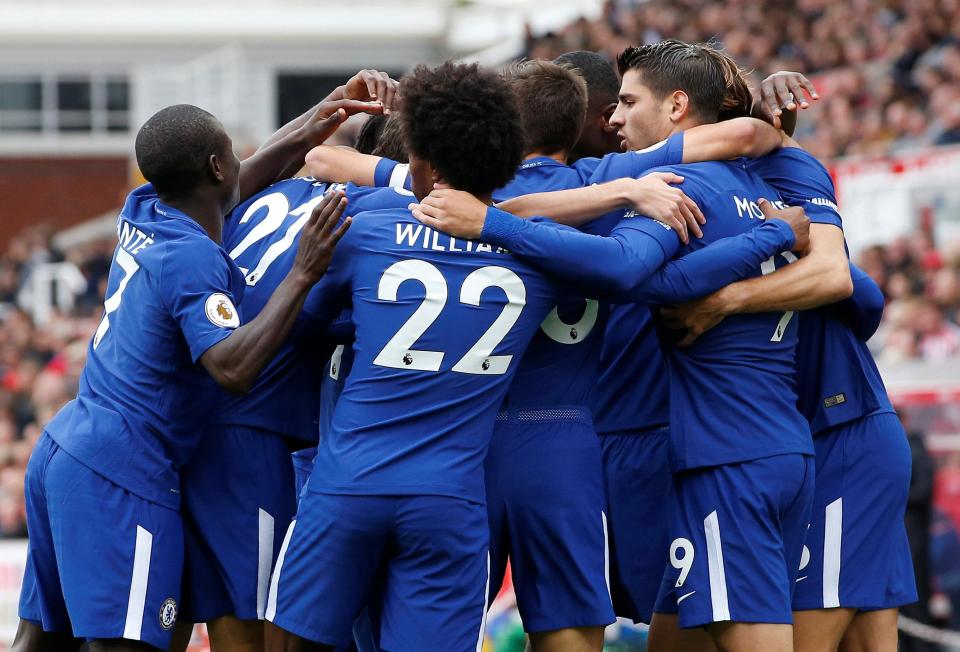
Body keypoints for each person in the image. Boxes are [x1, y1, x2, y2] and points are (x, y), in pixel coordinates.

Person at [410, 40, 821, 652]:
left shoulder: (437, 198)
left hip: (464, 444)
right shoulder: (742, 179)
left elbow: (629, 267)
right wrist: (763, 228)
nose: (615, 119)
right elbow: (853, 288)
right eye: (613, 104)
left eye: (628, 103)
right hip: (623, 446)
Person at [13, 102, 354, 652]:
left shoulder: (142, 208)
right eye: (231, 154)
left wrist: (314, 123)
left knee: (40, 638)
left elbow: (239, 178)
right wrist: (303, 272)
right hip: (122, 467)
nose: (245, 161)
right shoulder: (192, 256)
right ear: (218, 168)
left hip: (67, 443)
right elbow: (231, 368)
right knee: (124, 645)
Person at [174, 71, 404, 652]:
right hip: (256, 433)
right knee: (253, 624)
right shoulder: (368, 210)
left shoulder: (263, 194)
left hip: (199, 424)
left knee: (195, 614)